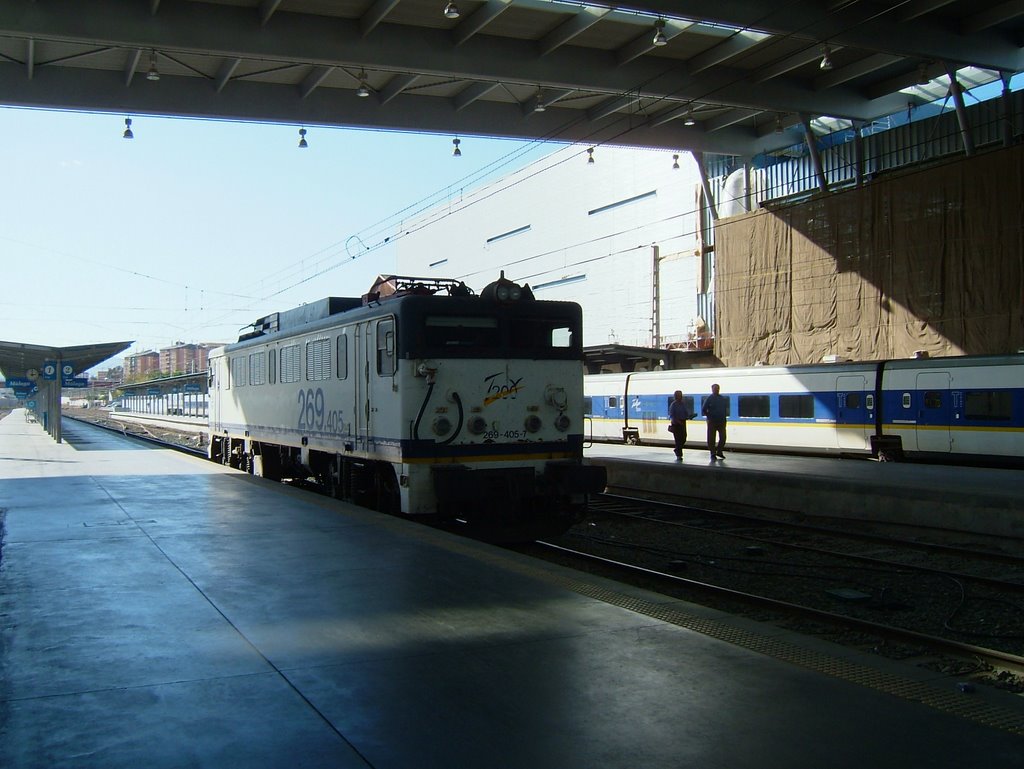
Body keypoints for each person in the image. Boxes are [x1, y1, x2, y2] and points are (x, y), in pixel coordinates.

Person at [701, 383, 728, 460]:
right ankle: (713, 453)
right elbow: (703, 409)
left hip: (721, 421)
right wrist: (709, 416)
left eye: (717, 388)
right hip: (712, 421)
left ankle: (719, 451)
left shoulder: (722, 399)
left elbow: (724, 410)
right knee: (711, 438)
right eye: (715, 388)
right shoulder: (709, 398)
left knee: (723, 437)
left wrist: (724, 419)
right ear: (712, 389)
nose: (716, 390)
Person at [668, 390, 691, 459]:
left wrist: (689, 416)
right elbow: (671, 415)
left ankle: (677, 450)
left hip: (683, 422)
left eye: (681, 395)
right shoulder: (673, 405)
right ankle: (679, 454)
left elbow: (685, 412)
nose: (680, 397)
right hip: (676, 424)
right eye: (678, 395)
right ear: (675, 396)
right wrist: (677, 421)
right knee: (678, 439)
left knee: (684, 438)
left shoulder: (682, 404)